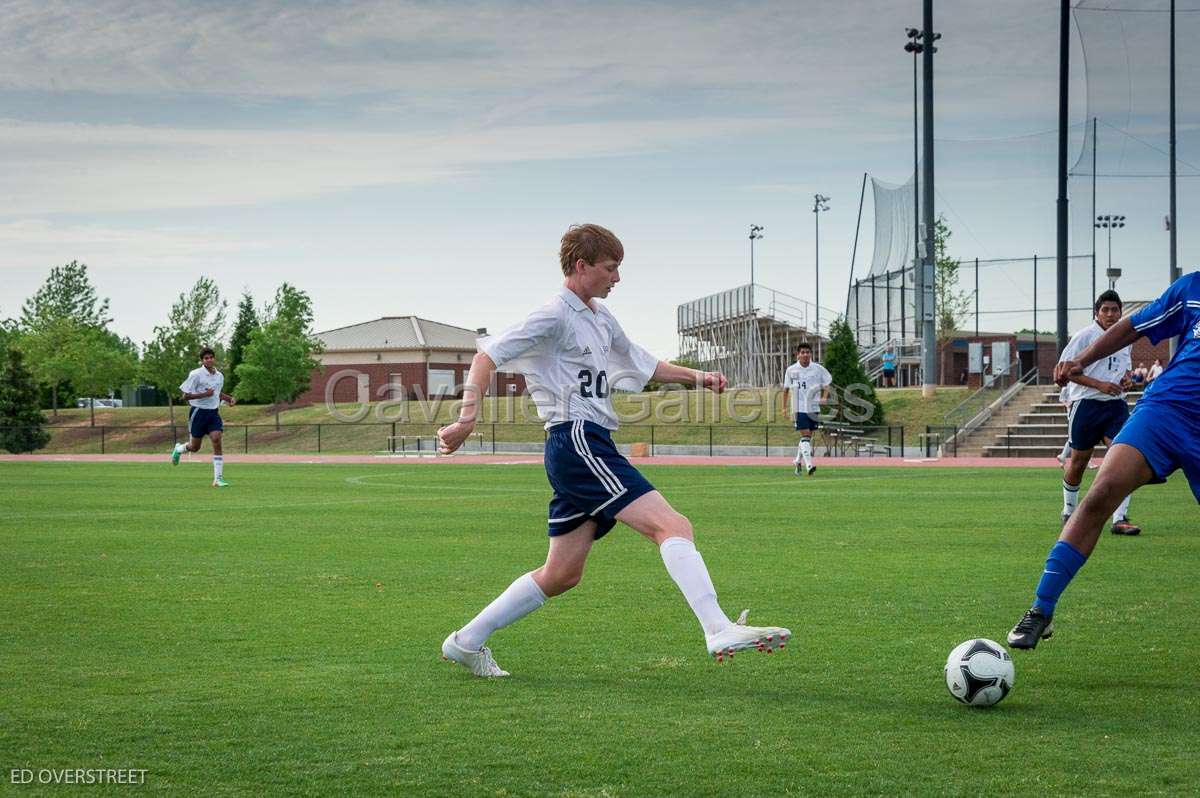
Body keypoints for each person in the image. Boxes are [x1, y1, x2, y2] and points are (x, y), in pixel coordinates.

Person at [437, 224, 790, 678]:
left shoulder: (600, 316)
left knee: (561, 574)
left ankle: (465, 642)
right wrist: (467, 419)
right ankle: (717, 627)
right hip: (577, 440)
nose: (616, 278)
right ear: (581, 266)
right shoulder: (552, 315)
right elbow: (486, 356)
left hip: (586, 443)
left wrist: (697, 378)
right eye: (610, 268)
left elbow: (643, 361)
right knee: (673, 525)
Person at [1007, 272, 1200, 650]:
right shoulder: (1193, 288)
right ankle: (1041, 609)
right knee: (1102, 490)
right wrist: (1081, 360)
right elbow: (1133, 326)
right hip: (1167, 411)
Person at [1053, 291, 1140, 535]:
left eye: (1115, 310)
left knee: (1126, 460)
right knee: (1079, 462)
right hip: (1087, 405)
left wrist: (1126, 380)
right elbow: (1066, 371)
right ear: (1097, 312)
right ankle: (1069, 512)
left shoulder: (1125, 337)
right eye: (1106, 310)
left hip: (1116, 407)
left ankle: (1119, 518)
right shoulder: (1084, 337)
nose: (1111, 314)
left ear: (1121, 312)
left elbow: (1124, 370)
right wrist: (1100, 385)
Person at [170, 347, 235, 487]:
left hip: (213, 413)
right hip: (198, 412)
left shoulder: (219, 376)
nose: (209, 360)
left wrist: (229, 399)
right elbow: (185, 396)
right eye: (206, 358)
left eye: (211, 357)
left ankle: (218, 479)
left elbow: (217, 393)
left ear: (214, 358)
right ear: (202, 360)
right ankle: (179, 449)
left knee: (217, 439)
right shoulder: (196, 374)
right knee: (194, 447)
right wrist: (204, 395)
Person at [782, 342, 832, 476]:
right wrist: (784, 408)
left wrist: (825, 397)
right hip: (798, 407)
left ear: (811, 354)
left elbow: (827, 383)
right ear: (798, 355)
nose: (805, 355)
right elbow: (786, 389)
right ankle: (809, 465)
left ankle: (797, 461)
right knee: (805, 435)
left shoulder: (818, 369)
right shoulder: (791, 370)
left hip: (813, 407)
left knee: (808, 437)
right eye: (802, 352)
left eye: (807, 352)